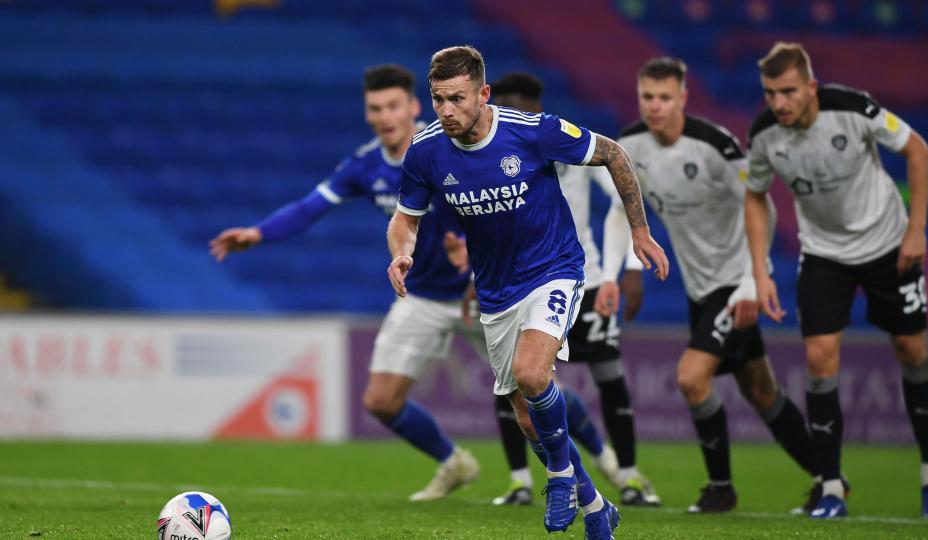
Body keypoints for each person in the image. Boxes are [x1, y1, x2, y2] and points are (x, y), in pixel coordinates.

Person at [387, 45, 668, 539]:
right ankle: (597, 507)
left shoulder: (531, 130)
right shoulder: (426, 150)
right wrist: (401, 251)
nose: (447, 111)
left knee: (532, 374)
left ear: (483, 93)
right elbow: (404, 219)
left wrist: (640, 233)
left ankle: (560, 477)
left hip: (555, 269)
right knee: (524, 412)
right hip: (496, 290)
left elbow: (614, 154)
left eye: (457, 98)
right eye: (437, 100)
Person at [208, 64, 483, 502]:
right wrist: (258, 233)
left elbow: (500, 202)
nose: (385, 116)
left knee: (536, 389)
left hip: (479, 290)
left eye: (393, 105)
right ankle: (454, 463)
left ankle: (605, 469)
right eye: (375, 108)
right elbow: (309, 206)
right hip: (423, 295)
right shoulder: (365, 165)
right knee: (380, 402)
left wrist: (474, 249)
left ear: (413, 107)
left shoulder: (449, 147)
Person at [597, 56, 822, 514]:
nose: (655, 106)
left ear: (683, 98)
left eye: (664, 98)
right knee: (761, 392)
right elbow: (621, 211)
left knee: (690, 377)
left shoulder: (714, 145)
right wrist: (613, 275)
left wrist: (750, 281)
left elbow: (761, 206)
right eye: (647, 97)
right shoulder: (630, 147)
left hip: (735, 282)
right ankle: (829, 476)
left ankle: (721, 486)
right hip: (700, 289)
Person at [743, 42, 928, 519]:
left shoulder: (854, 108)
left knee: (912, 351)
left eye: (789, 91)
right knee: (819, 358)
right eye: (771, 93)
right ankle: (832, 486)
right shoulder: (764, 135)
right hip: (824, 254)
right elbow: (754, 196)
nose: (779, 103)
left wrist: (916, 230)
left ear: (811, 87)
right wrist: (761, 269)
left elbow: (917, 150)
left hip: (887, 246)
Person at [483, 71, 660, 508]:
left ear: (535, 111)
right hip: (516, 285)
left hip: (584, 278)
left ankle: (629, 475)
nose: (508, 120)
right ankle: (522, 480)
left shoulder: (563, 141)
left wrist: (628, 268)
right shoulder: (487, 152)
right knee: (518, 385)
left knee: (609, 378)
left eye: (517, 110)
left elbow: (621, 193)